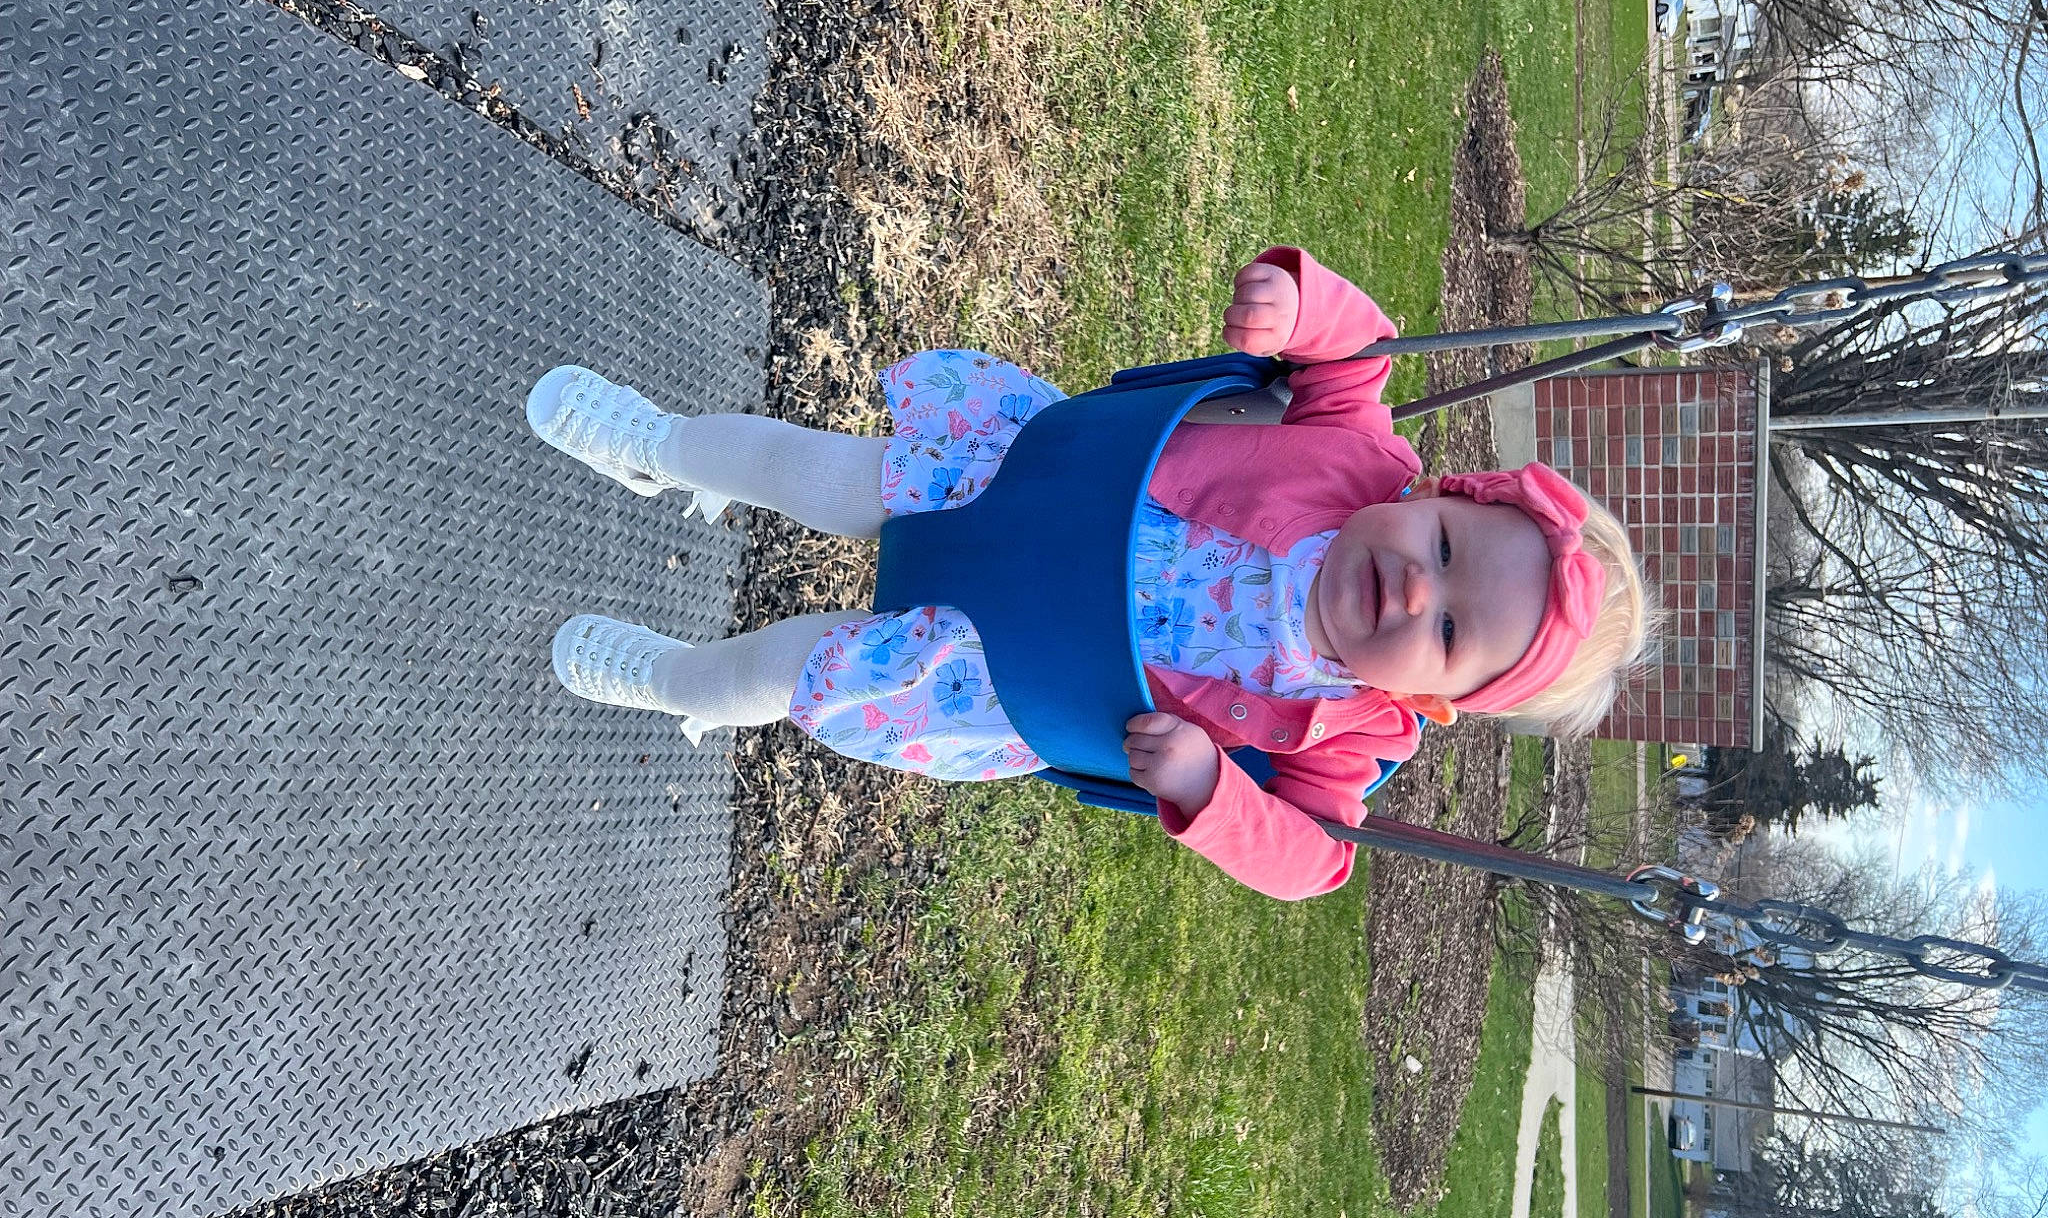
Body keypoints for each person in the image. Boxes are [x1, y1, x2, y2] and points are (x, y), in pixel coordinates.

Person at [527, 248, 1651, 899]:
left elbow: (1312, 863)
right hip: (1012, 481)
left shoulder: (1352, 731)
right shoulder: (1358, 449)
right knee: (817, 468)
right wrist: (1291, 304)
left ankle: (680, 686)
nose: (1416, 589)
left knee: (797, 672)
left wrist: (1212, 791)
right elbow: (1354, 349)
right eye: (1444, 551)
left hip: (999, 669)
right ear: (1436, 495)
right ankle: (664, 447)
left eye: (1448, 630)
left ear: (1435, 697)